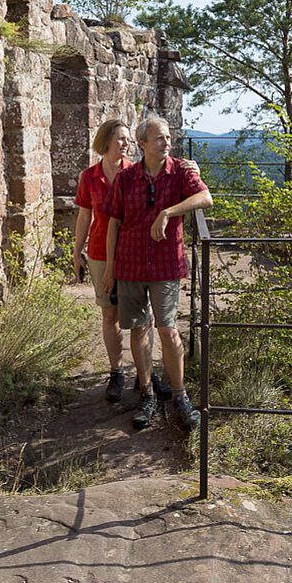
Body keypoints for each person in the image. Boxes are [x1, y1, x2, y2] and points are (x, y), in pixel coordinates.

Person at [102, 113, 213, 430]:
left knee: (168, 329)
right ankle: (148, 393)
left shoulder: (181, 172)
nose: (168, 142)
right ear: (142, 144)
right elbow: (113, 224)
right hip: (130, 264)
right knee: (138, 329)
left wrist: (168, 212)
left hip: (166, 264)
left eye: (168, 137)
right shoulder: (126, 179)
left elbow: (206, 198)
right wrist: (110, 269)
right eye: (160, 138)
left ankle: (180, 396)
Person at [73, 118, 172, 404]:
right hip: (101, 254)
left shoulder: (136, 172)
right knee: (109, 315)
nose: (125, 144)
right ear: (105, 142)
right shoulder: (89, 176)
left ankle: (147, 375)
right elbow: (83, 217)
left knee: (145, 318)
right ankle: (116, 373)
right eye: (120, 139)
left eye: (128, 139)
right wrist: (77, 252)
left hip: (134, 252)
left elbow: (169, 168)